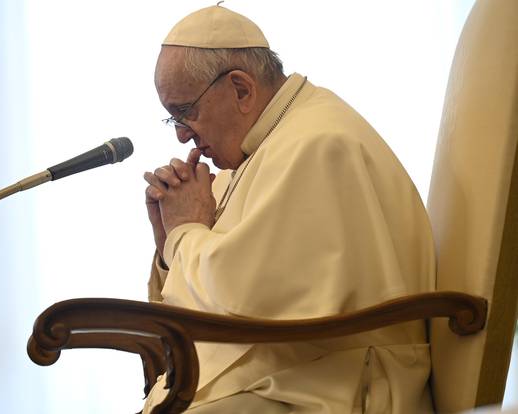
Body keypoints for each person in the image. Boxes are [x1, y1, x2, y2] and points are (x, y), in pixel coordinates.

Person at [142, 5, 435, 413]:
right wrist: (167, 243)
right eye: (171, 118)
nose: (181, 135)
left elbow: (247, 302)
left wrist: (186, 233)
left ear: (242, 89)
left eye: (186, 112)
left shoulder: (316, 144)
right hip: (283, 374)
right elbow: (208, 301)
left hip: (331, 382)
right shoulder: (253, 151)